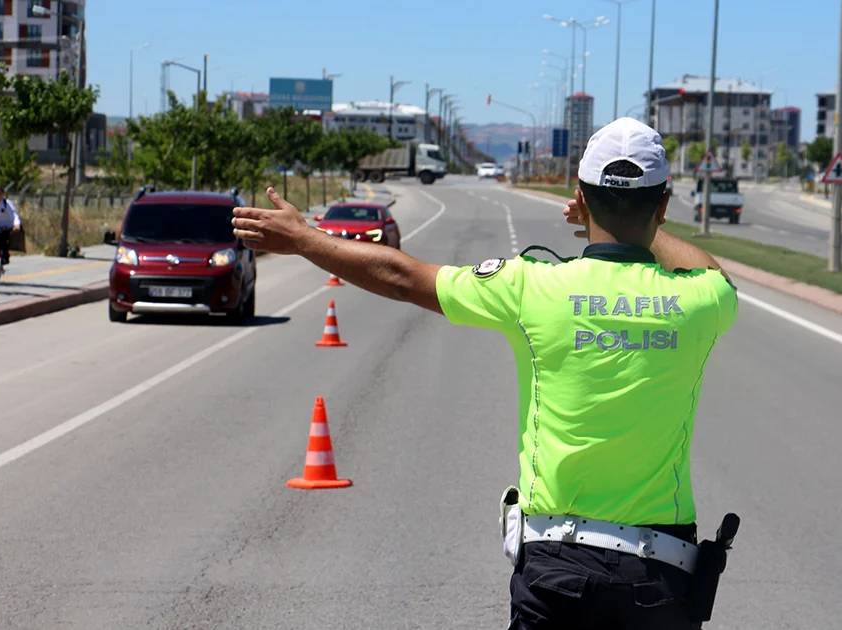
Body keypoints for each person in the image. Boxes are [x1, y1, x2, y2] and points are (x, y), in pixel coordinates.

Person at [232, 118, 737, 629]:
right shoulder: (699, 299)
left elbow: (404, 278)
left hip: (558, 572)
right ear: (663, 205)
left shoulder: (531, 287)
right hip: (659, 580)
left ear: (580, 198)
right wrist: (646, 226)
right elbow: (713, 272)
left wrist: (304, 239)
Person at [0, 185, 22, 265]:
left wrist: (17, 225)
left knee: (2, 241)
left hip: (5, 227)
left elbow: (14, 215)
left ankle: (5, 257)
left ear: (2, 195)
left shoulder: (7, 204)